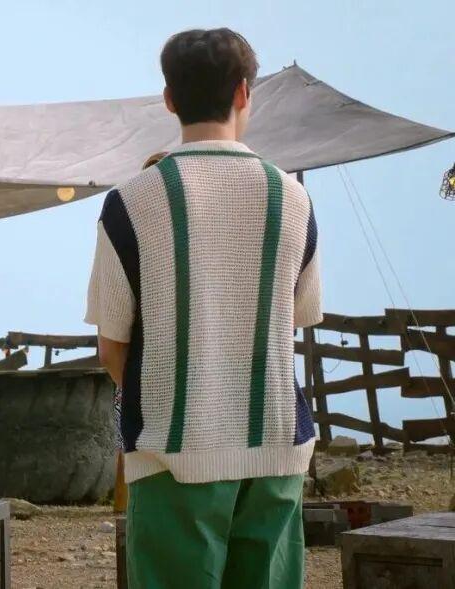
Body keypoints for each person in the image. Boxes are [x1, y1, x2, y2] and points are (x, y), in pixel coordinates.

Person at [86, 29, 321, 588]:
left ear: (169, 99)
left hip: (171, 456)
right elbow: (295, 319)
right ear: (243, 92)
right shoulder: (293, 198)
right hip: (275, 450)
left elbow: (112, 348)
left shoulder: (129, 202)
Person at [113, 150, 169, 515]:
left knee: (131, 440)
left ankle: (128, 509)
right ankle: (125, 508)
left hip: (140, 359)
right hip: (143, 358)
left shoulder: (136, 233)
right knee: (128, 441)